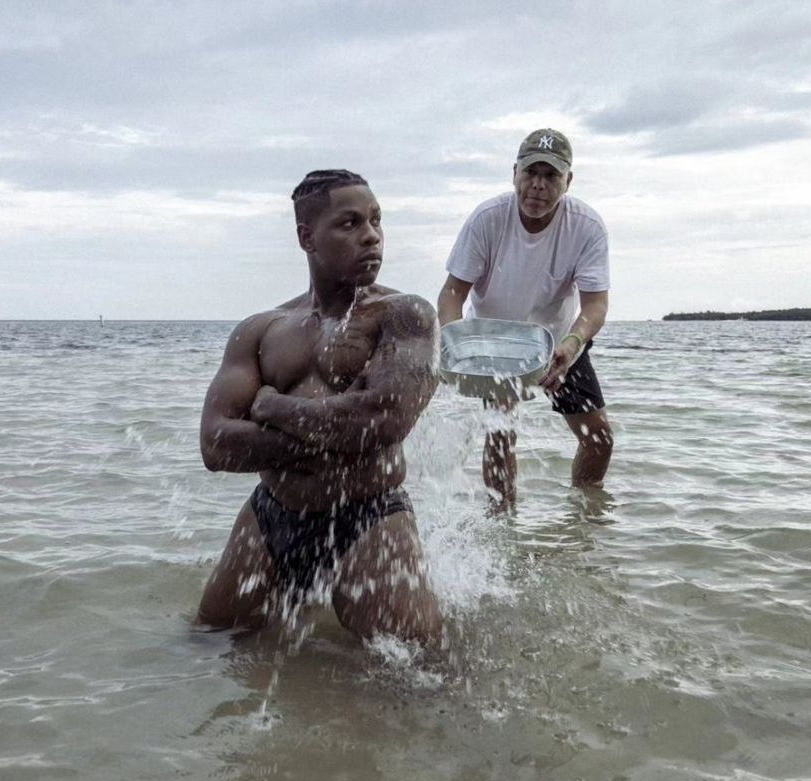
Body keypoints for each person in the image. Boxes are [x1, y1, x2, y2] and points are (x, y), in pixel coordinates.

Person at [197, 169, 443, 646]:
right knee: (209, 642)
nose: (371, 235)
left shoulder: (404, 314)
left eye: (375, 221)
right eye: (350, 224)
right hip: (273, 516)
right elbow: (215, 445)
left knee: (422, 671)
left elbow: (382, 421)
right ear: (307, 237)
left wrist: (273, 406)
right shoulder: (261, 329)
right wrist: (331, 438)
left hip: (370, 516)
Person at [437, 128, 613, 511]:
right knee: (501, 436)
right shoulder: (487, 219)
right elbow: (452, 294)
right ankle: (503, 524)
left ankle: (583, 521)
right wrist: (454, 343)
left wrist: (572, 345)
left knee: (598, 439)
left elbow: (596, 304)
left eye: (551, 175)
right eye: (530, 173)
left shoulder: (586, 226)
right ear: (514, 172)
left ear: (568, 180)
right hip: (494, 344)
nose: (538, 186)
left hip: (561, 342)